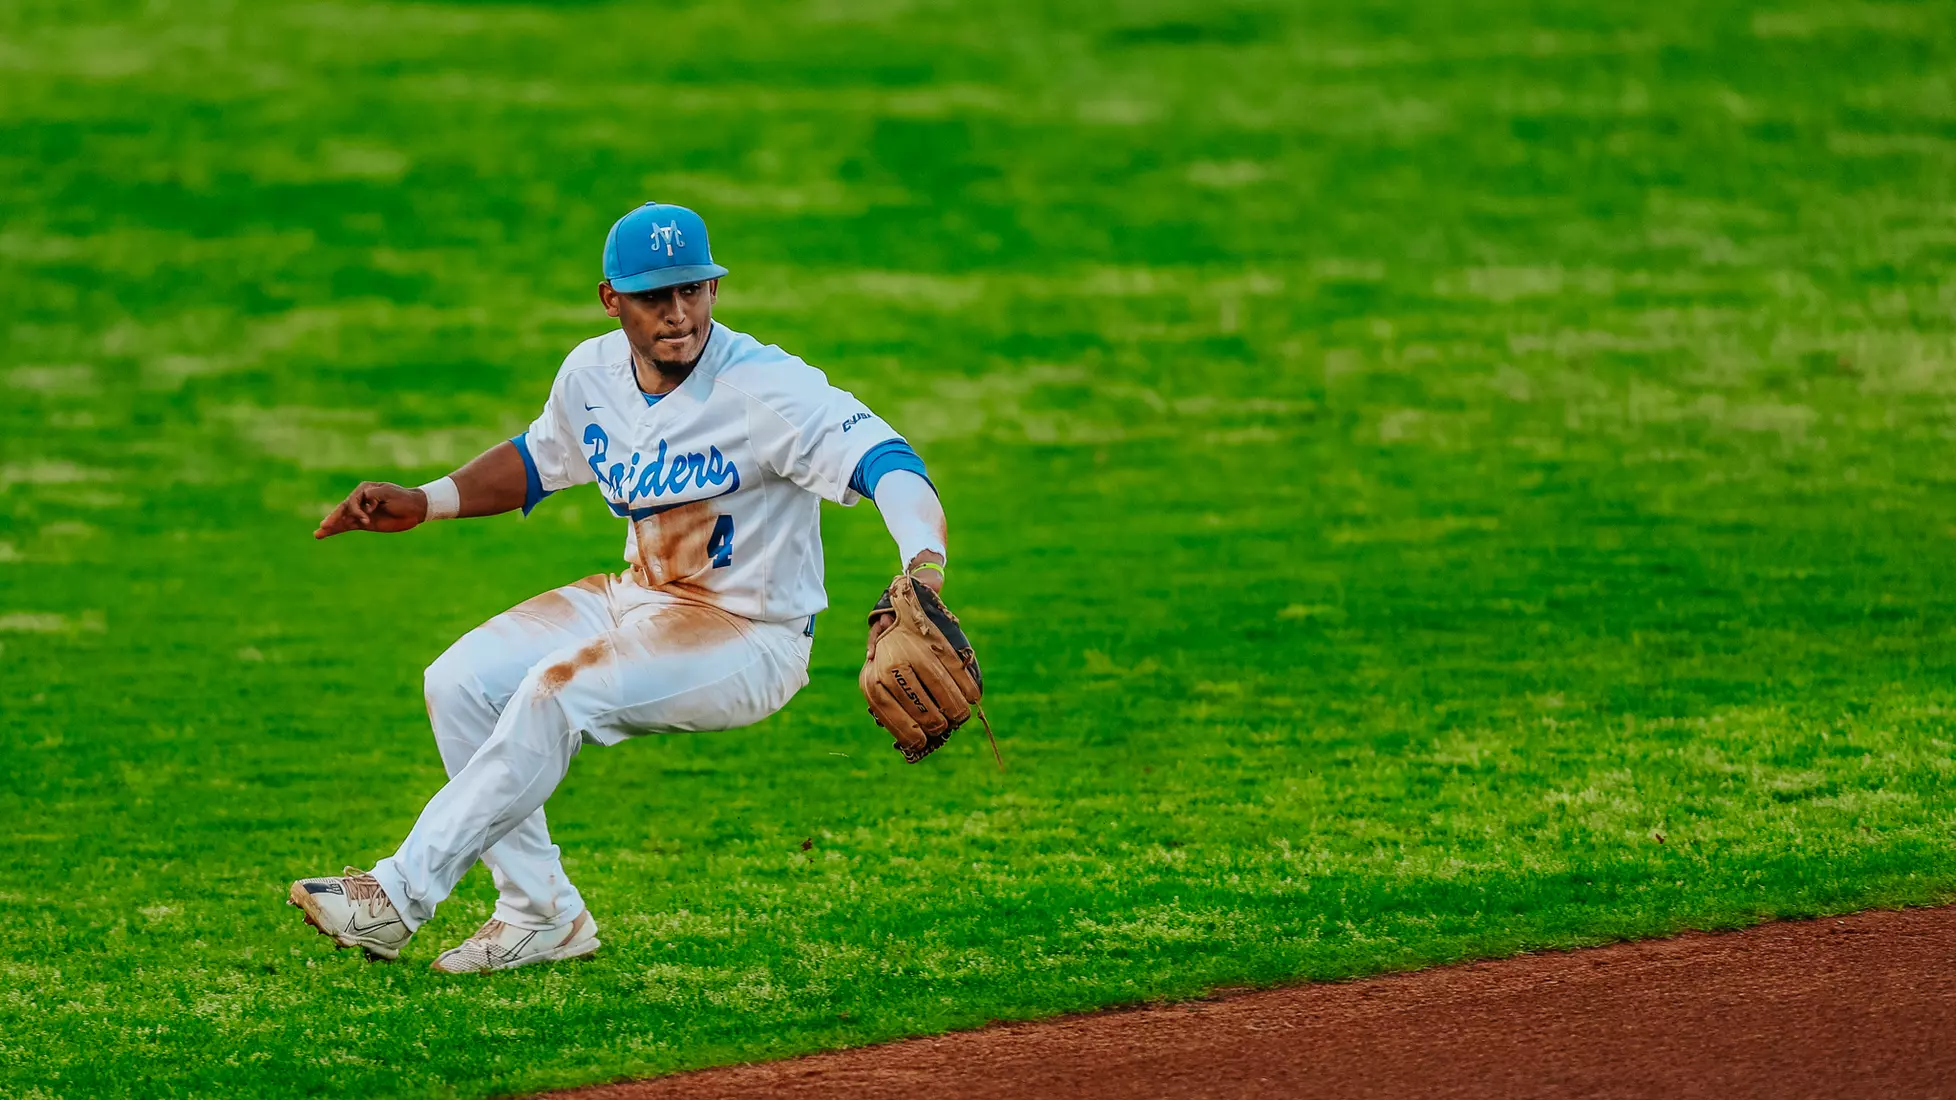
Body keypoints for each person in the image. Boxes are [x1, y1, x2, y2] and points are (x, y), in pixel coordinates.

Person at [287, 202, 950, 972]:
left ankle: (397, 897)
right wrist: (426, 500)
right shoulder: (592, 374)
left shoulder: (768, 387)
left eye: (694, 290)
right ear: (612, 299)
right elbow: (541, 459)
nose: (678, 314)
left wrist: (922, 567)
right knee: (459, 680)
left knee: (553, 692)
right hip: (639, 597)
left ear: (713, 290)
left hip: (750, 635)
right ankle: (540, 914)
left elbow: (888, 461)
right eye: (653, 297)